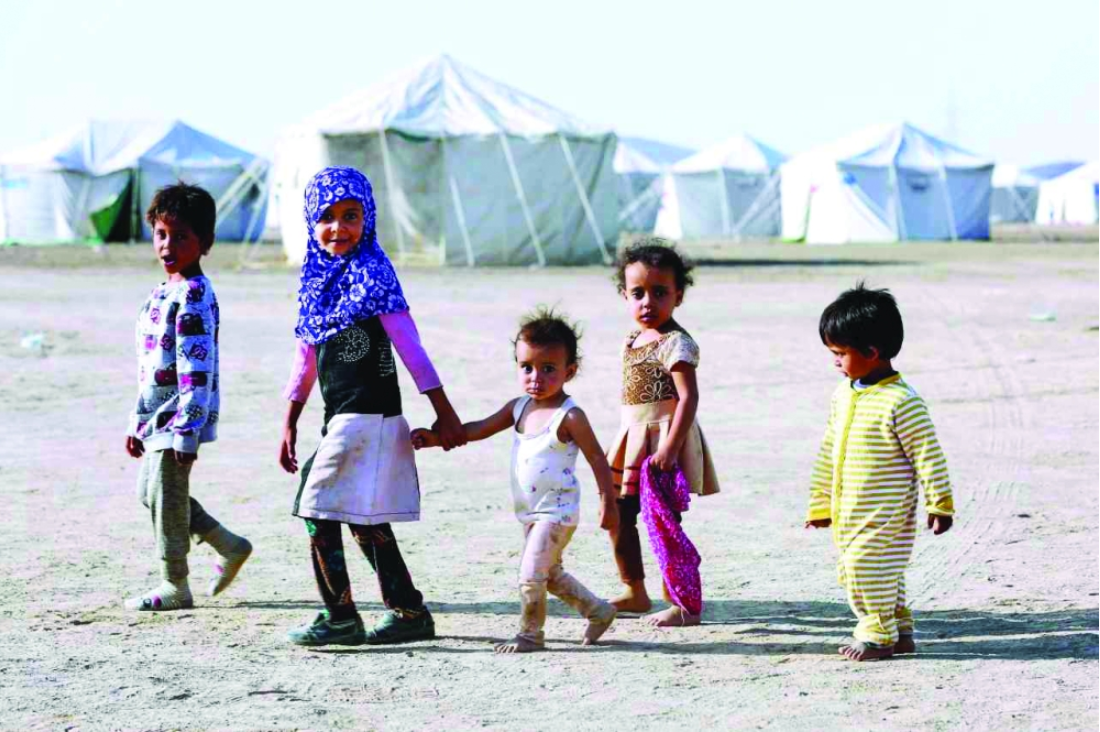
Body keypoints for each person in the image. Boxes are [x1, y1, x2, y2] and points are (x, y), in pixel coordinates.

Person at [279, 167, 466, 647]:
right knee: (363, 517)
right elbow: (304, 362)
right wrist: (290, 421)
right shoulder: (316, 286)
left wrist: (444, 411)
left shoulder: (375, 275)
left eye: (351, 215)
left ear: (369, 218)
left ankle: (340, 616)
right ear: (311, 222)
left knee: (316, 506)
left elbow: (411, 349)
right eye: (327, 217)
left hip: (369, 416)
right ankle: (409, 612)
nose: (338, 228)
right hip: (341, 419)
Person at [411, 308, 619, 653]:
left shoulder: (570, 416)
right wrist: (437, 438)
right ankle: (598, 611)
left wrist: (608, 503)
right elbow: (477, 429)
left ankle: (530, 635)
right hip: (530, 513)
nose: (536, 377)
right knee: (549, 574)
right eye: (527, 367)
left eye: (548, 369)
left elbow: (598, 458)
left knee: (530, 574)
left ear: (569, 371)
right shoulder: (518, 407)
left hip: (557, 513)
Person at [806, 283, 955, 661]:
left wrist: (940, 503)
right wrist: (820, 503)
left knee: (862, 569)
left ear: (872, 352)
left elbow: (928, 455)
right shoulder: (843, 394)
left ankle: (876, 635)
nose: (835, 362)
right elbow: (829, 451)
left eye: (840, 353)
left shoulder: (902, 401)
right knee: (884, 571)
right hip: (848, 511)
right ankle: (900, 630)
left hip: (884, 513)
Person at [124, 182, 252, 611]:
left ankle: (175, 582)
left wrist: (188, 429)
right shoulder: (160, 292)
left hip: (179, 417)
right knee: (152, 494)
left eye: (181, 236)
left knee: (166, 496)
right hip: (155, 416)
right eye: (161, 234)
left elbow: (197, 369)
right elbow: (148, 367)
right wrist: (136, 421)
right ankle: (228, 544)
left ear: (205, 242)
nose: (168, 245)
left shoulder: (194, 294)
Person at [605, 239, 719, 627]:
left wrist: (670, 447)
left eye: (660, 292)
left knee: (665, 522)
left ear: (678, 296)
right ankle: (634, 590)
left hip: (663, 443)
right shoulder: (632, 339)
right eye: (637, 293)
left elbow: (688, 398)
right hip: (632, 440)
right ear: (624, 295)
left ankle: (682, 603)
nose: (647, 302)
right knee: (619, 514)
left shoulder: (676, 343)